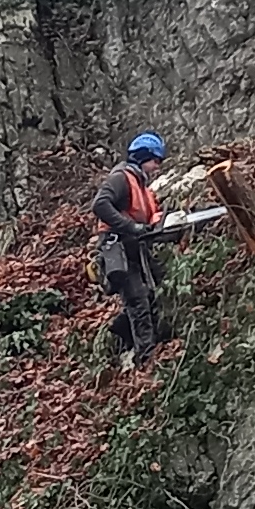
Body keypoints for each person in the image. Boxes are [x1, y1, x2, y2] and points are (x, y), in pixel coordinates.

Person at [91, 132, 170, 365]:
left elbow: (151, 218)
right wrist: (131, 226)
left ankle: (120, 334)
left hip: (136, 249)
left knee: (153, 293)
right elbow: (100, 205)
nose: (157, 166)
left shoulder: (143, 188)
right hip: (117, 247)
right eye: (155, 160)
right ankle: (146, 358)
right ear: (143, 156)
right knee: (138, 300)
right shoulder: (121, 178)